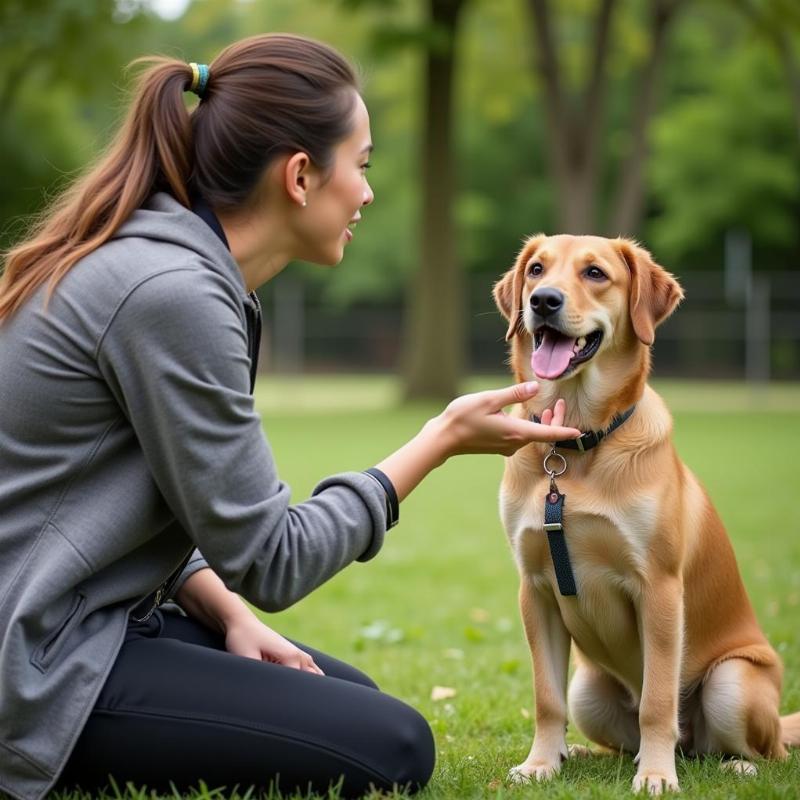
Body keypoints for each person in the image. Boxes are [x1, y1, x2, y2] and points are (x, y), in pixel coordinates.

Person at [0, 33, 580, 800]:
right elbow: (273, 558)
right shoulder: (172, 292)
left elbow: (166, 502)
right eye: (363, 165)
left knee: (356, 702)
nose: (368, 194)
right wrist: (437, 442)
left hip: (89, 615)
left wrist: (230, 618)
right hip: (32, 659)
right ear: (302, 176)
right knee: (393, 746)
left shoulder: (176, 268)